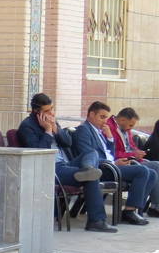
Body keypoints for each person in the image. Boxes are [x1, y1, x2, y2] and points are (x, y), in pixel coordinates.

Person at [17, 93, 115, 233]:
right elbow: (38, 152)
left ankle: (87, 168)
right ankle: (96, 221)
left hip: (66, 164)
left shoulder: (53, 121)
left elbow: (68, 143)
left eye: (52, 108)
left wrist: (56, 129)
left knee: (91, 154)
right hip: (51, 168)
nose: (52, 113)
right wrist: (48, 131)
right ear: (36, 111)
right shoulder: (27, 126)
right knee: (91, 177)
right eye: (47, 110)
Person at [74, 102, 156, 226]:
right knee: (142, 171)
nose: (105, 121)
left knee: (152, 173)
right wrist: (114, 162)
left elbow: (109, 152)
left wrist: (110, 138)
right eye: (102, 117)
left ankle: (136, 209)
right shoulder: (84, 130)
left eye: (106, 117)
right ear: (91, 114)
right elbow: (87, 155)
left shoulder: (99, 130)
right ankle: (129, 211)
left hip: (112, 165)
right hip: (101, 168)